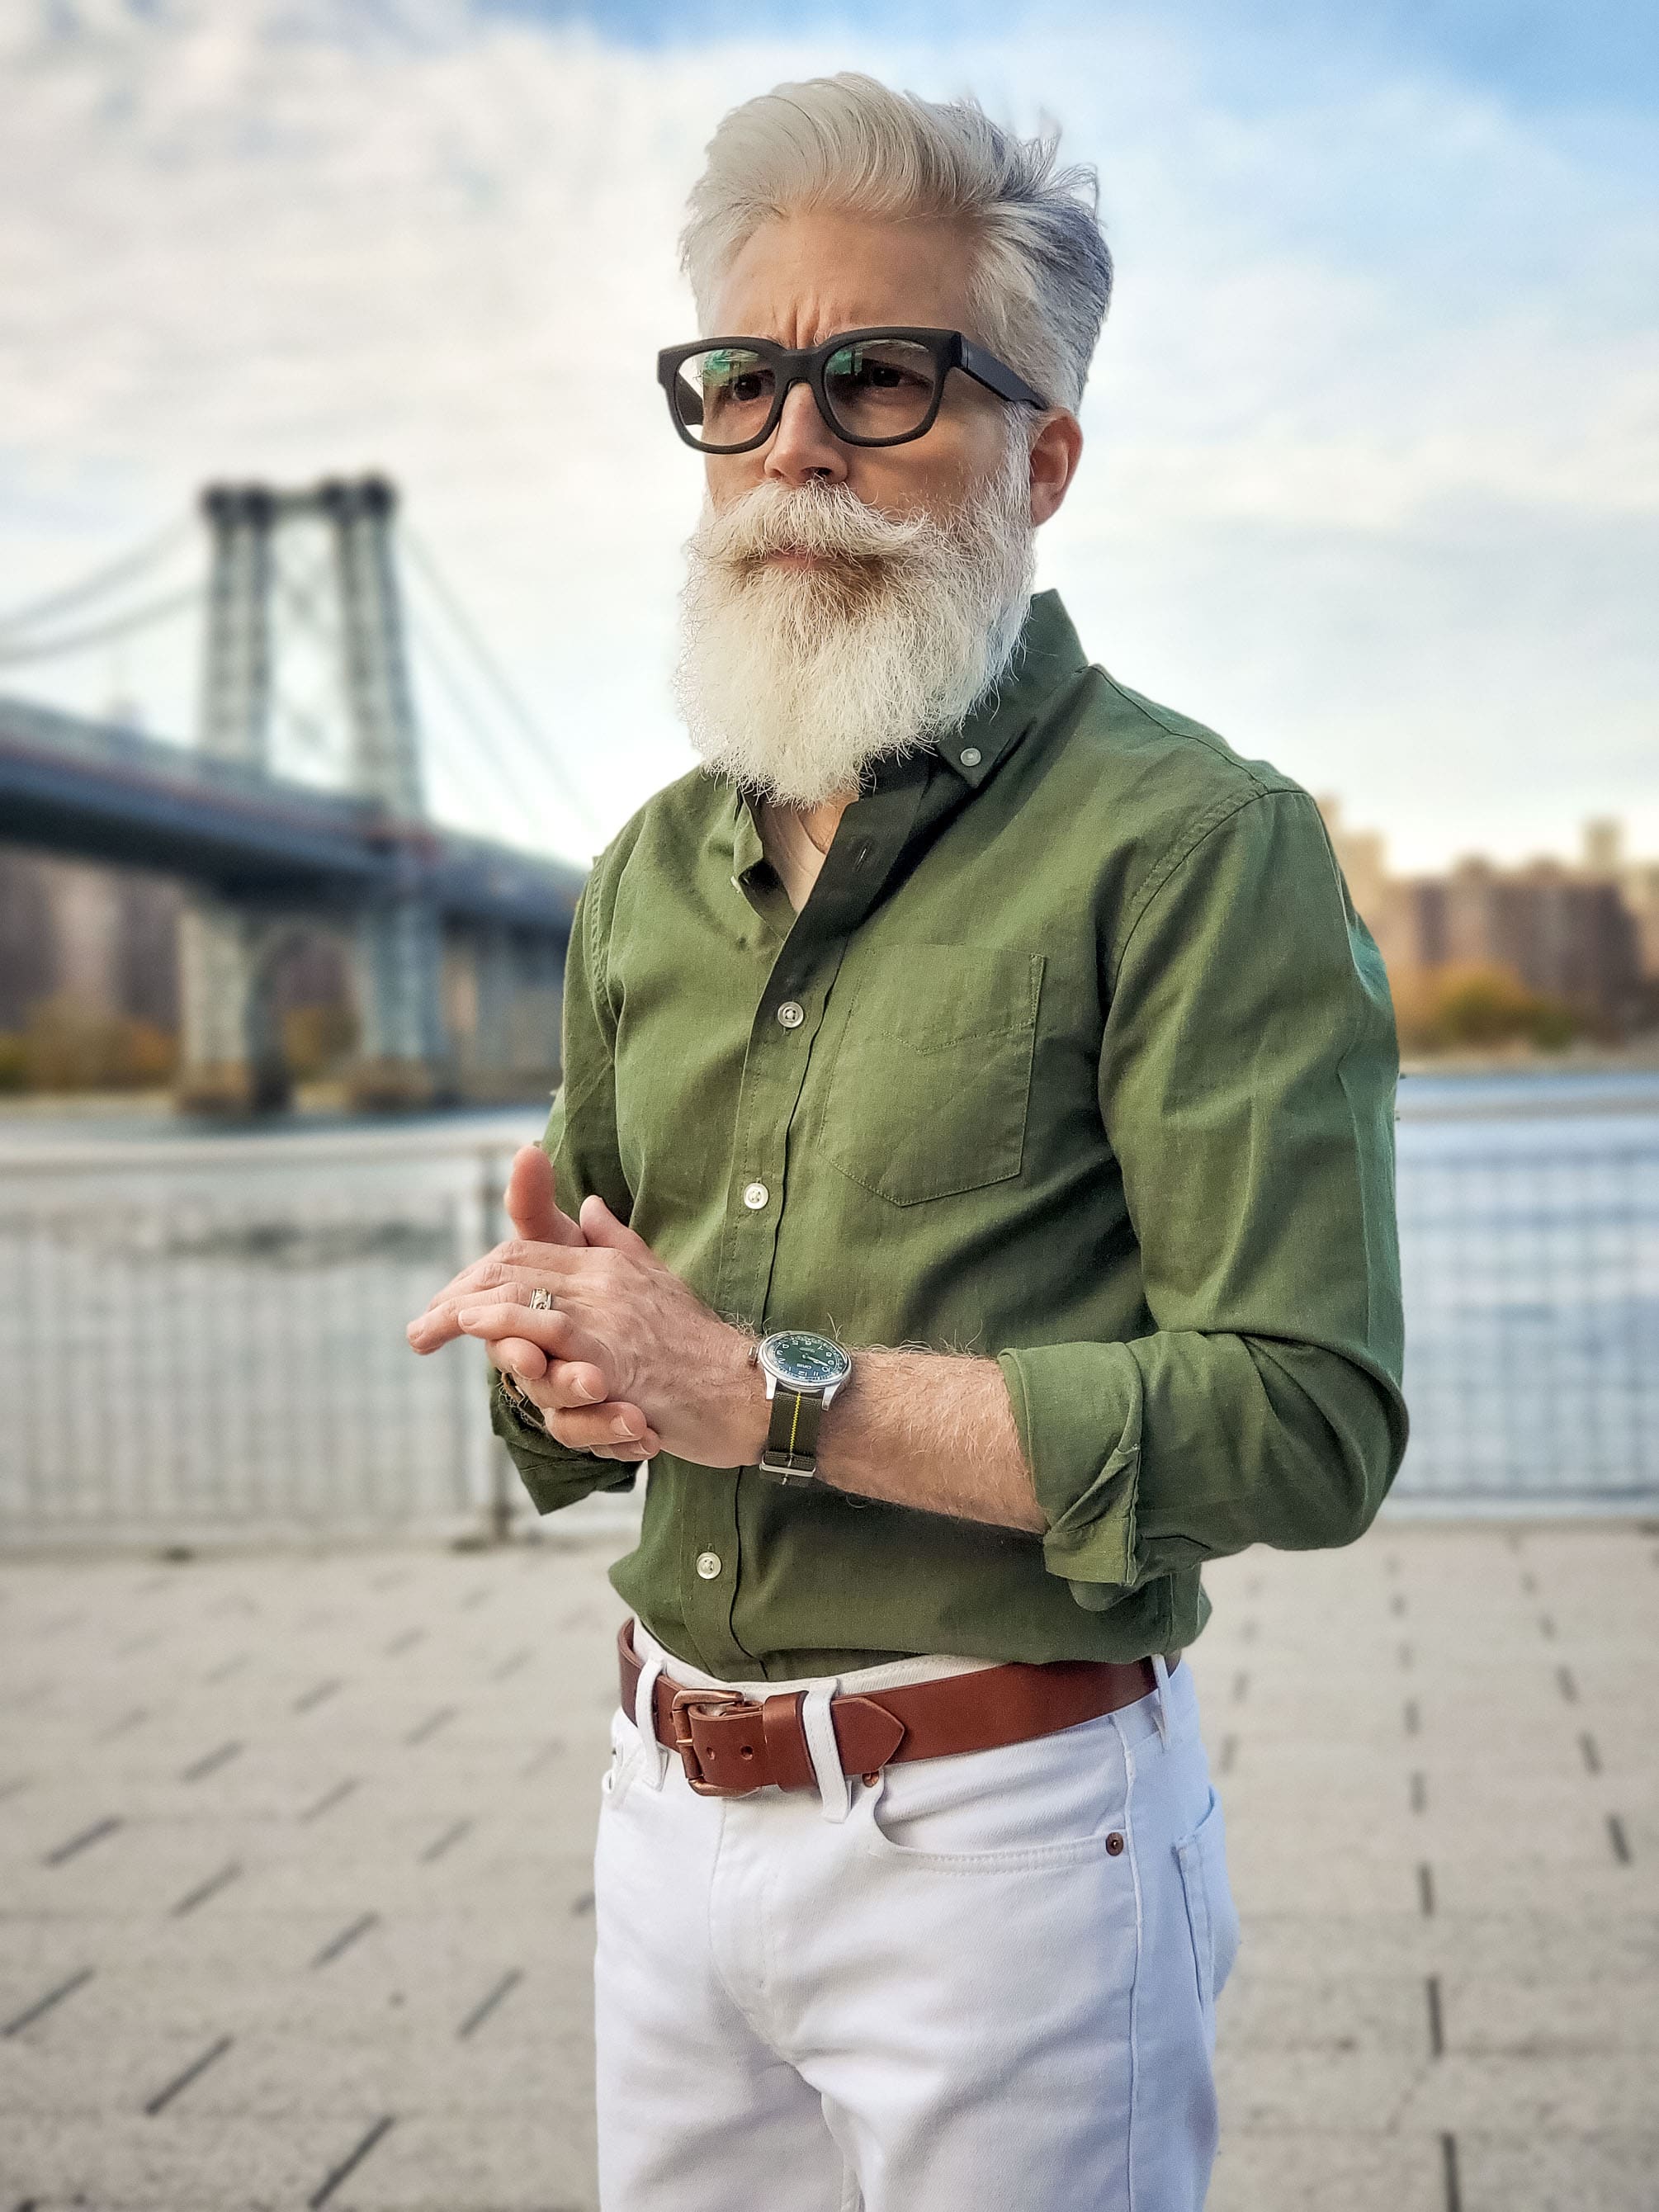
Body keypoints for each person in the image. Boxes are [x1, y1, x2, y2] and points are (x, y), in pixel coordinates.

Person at [409, 71, 1406, 2212]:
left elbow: (1304, 1425)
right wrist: (568, 1369)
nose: (793, 445)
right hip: (658, 1807)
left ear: (1042, 452)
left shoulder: (1192, 846)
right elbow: (601, 1418)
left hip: (1007, 1844)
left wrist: (759, 1392)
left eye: (877, 379)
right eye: (742, 380)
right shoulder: (637, 879)